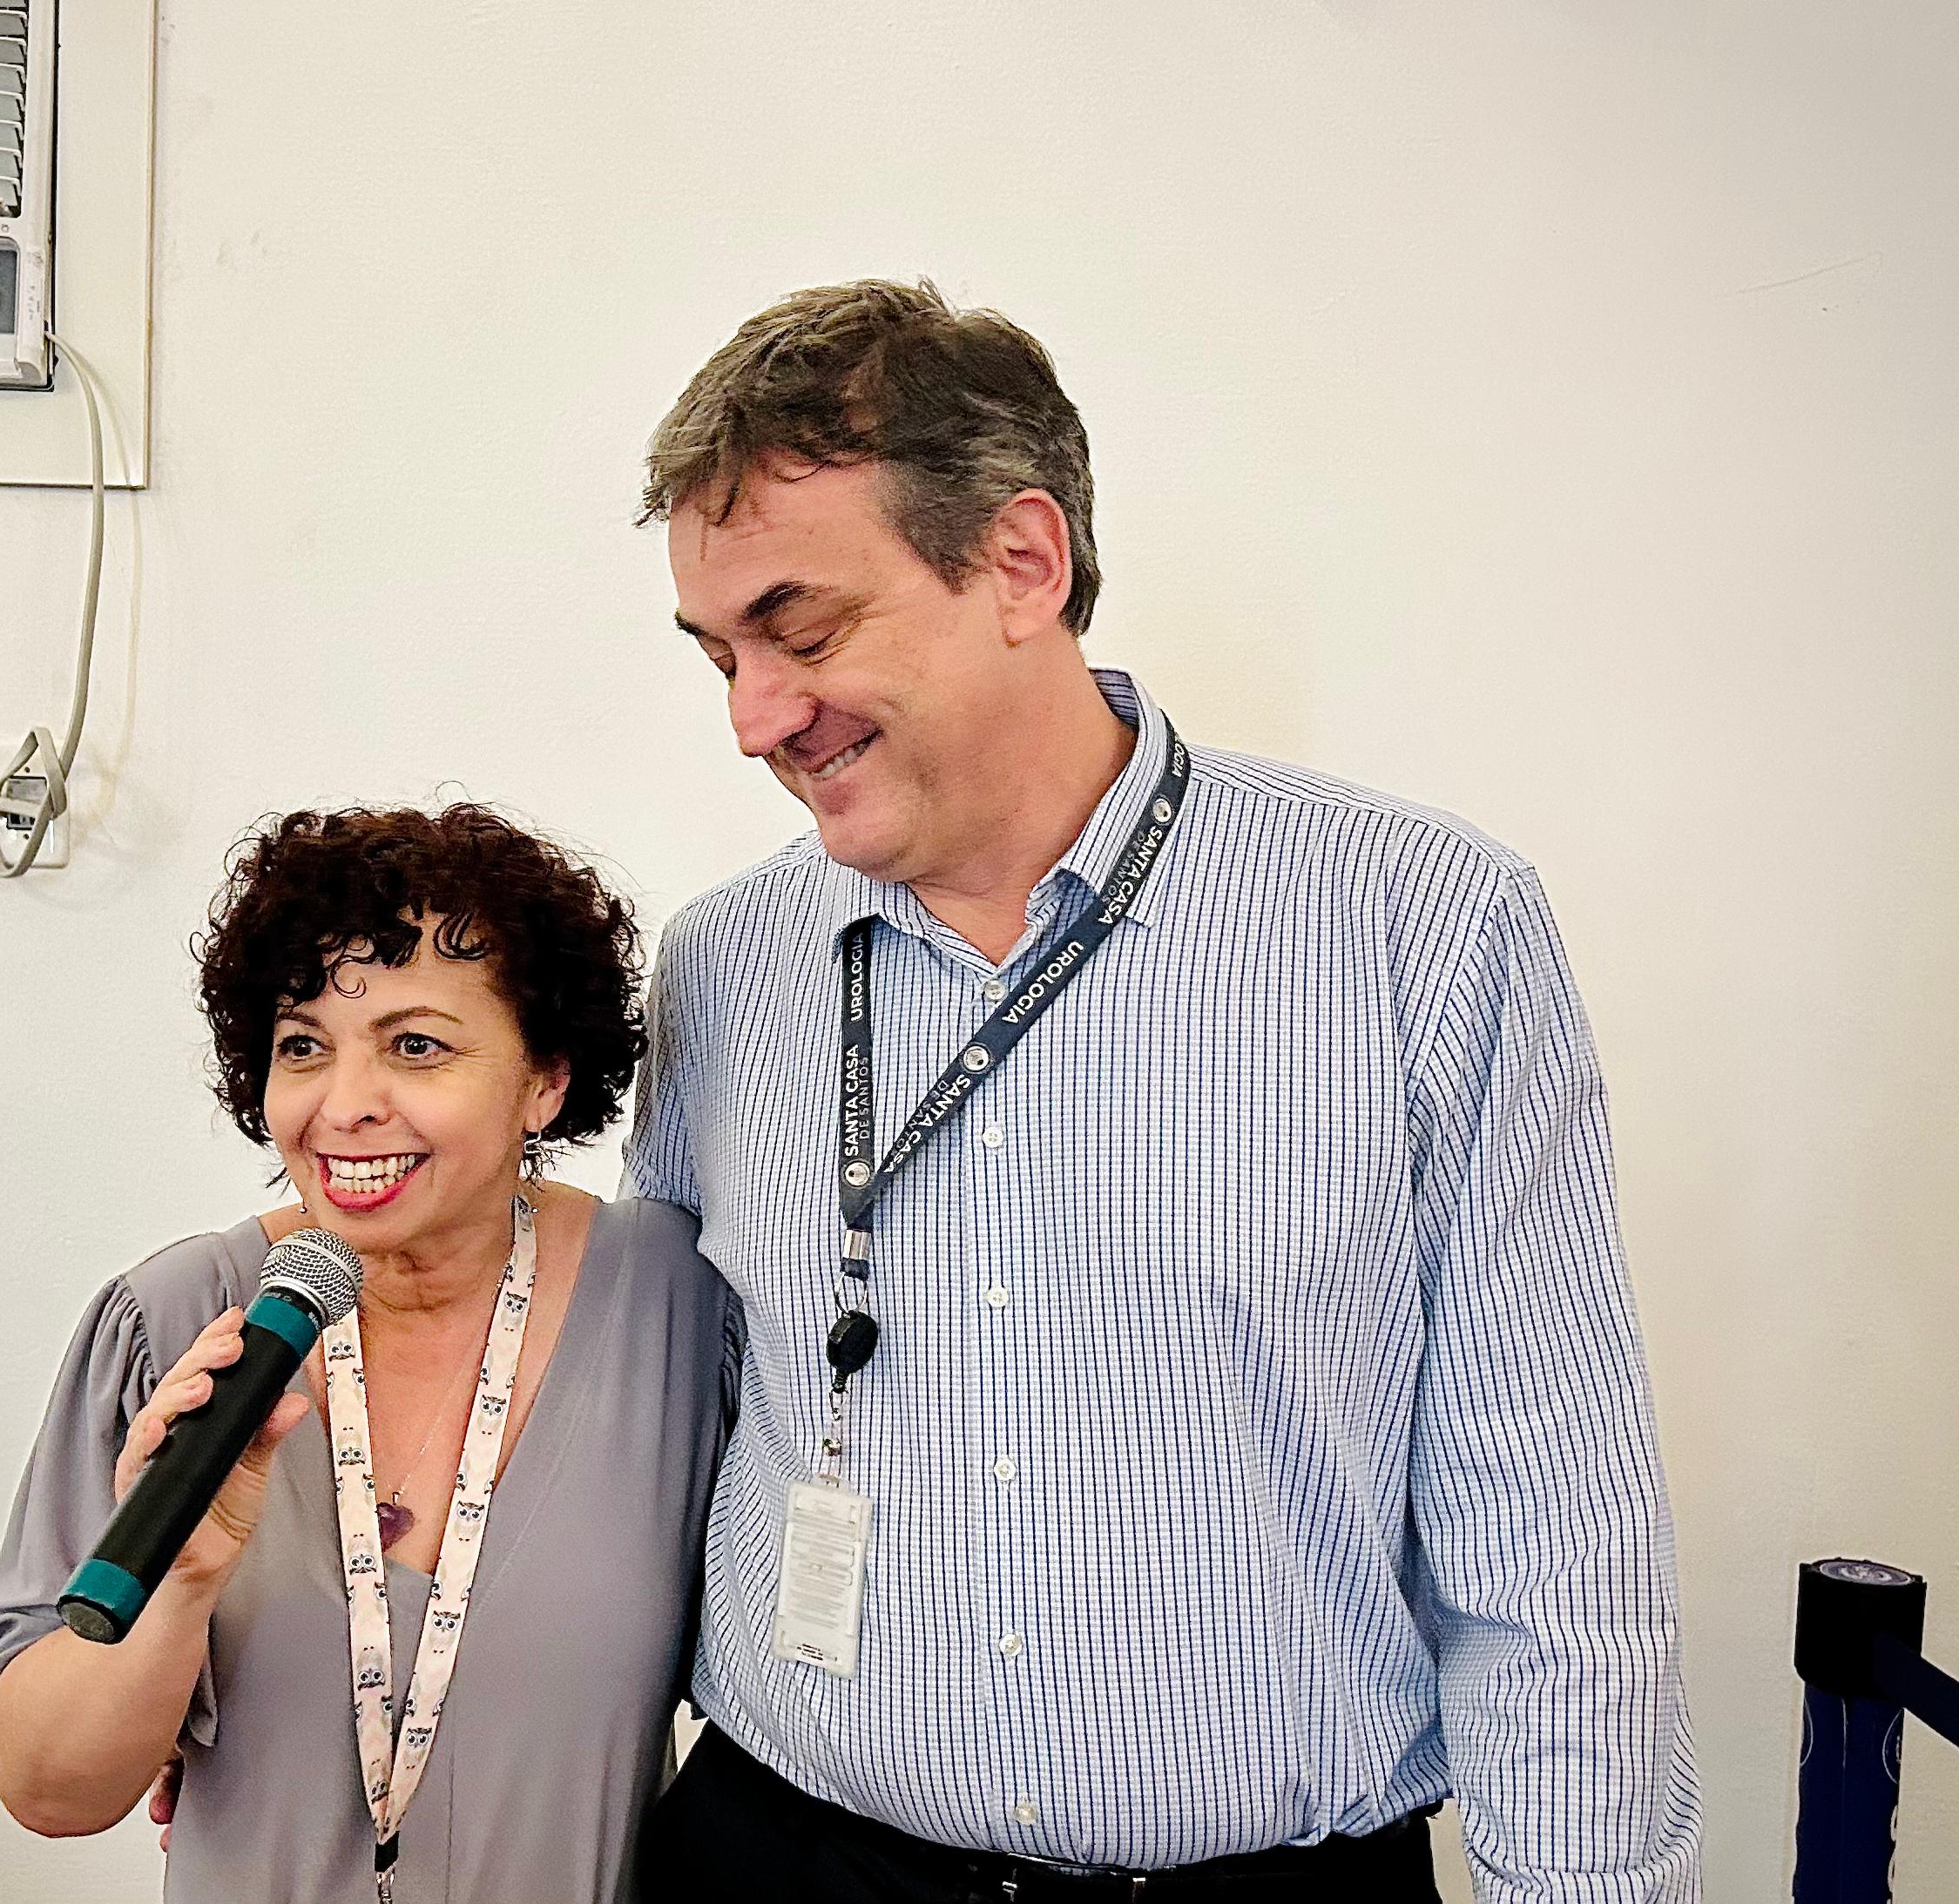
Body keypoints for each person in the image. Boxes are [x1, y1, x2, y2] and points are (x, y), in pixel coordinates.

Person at [625, 280, 1702, 1902]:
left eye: (804, 629)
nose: (751, 719)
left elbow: (1553, 1545)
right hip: (779, 1864)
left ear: (1021, 562)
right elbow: (639, 1448)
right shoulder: (719, 970)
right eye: (720, 655)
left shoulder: (1423, 930)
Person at [0, 805, 727, 1903]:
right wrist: (181, 1588)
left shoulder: (676, 1303)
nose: (345, 1105)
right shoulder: (173, 1319)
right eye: (303, 1046)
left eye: (416, 1045)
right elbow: (50, 1789)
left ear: (544, 1078)